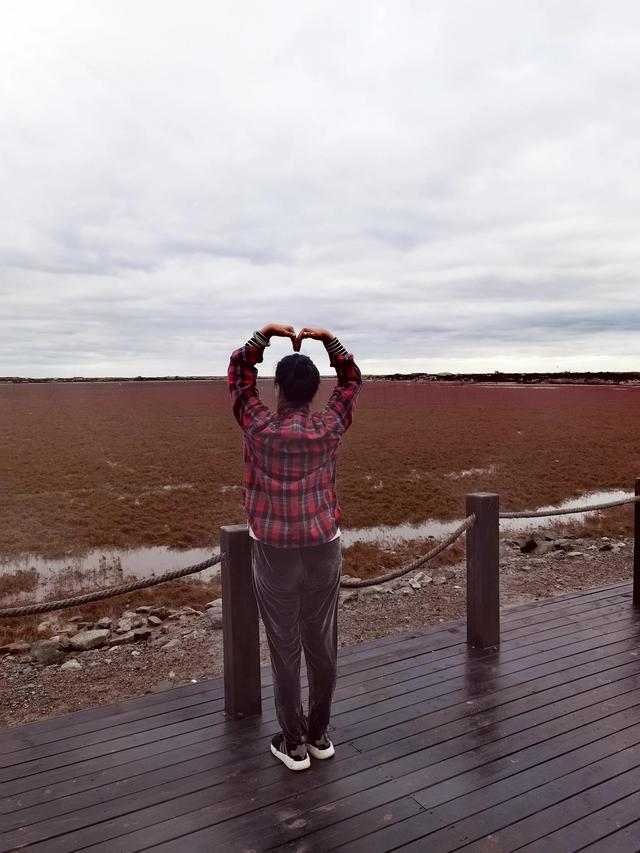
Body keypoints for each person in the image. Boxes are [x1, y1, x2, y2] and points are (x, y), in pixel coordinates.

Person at [228, 323, 362, 770]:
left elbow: (237, 374)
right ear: (314, 390)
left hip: (273, 552)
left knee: (284, 647)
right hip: (324, 546)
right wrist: (329, 340)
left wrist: (262, 336)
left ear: (278, 388)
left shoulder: (259, 426)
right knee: (321, 645)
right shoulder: (329, 426)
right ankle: (320, 733)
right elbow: (352, 380)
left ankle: (294, 742)